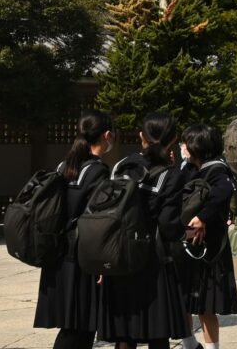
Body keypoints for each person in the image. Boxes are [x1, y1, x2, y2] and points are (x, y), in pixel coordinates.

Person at [99, 112, 190, 349]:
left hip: (119, 257)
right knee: (157, 333)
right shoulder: (171, 175)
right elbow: (169, 225)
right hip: (152, 262)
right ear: (173, 139)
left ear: (141, 136)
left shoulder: (122, 166)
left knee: (124, 334)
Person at [33, 111, 114, 349]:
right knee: (81, 329)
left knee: (72, 327)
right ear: (107, 135)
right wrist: (103, 262)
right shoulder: (98, 171)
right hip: (82, 258)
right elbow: (97, 220)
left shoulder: (64, 166)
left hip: (58, 253)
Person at [179, 125, 237, 349]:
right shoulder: (188, 169)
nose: (182, 148)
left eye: (186, 144)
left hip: (210, 247)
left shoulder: (217, 170)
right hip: (187, 242)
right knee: (183, 300)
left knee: (206, 305)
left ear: (198, 147)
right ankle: (189, 344)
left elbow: (224, 192)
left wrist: (203, 217)